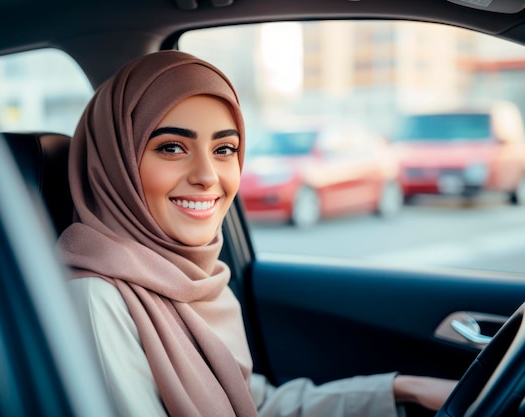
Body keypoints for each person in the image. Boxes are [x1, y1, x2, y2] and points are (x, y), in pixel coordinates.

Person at [57, 50, 457, 417]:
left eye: (225, 149)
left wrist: (403, 390)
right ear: (115, 165)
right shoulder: (97, 301)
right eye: (172, 147)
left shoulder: (194, 279)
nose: (207, 176)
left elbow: (251, 404)